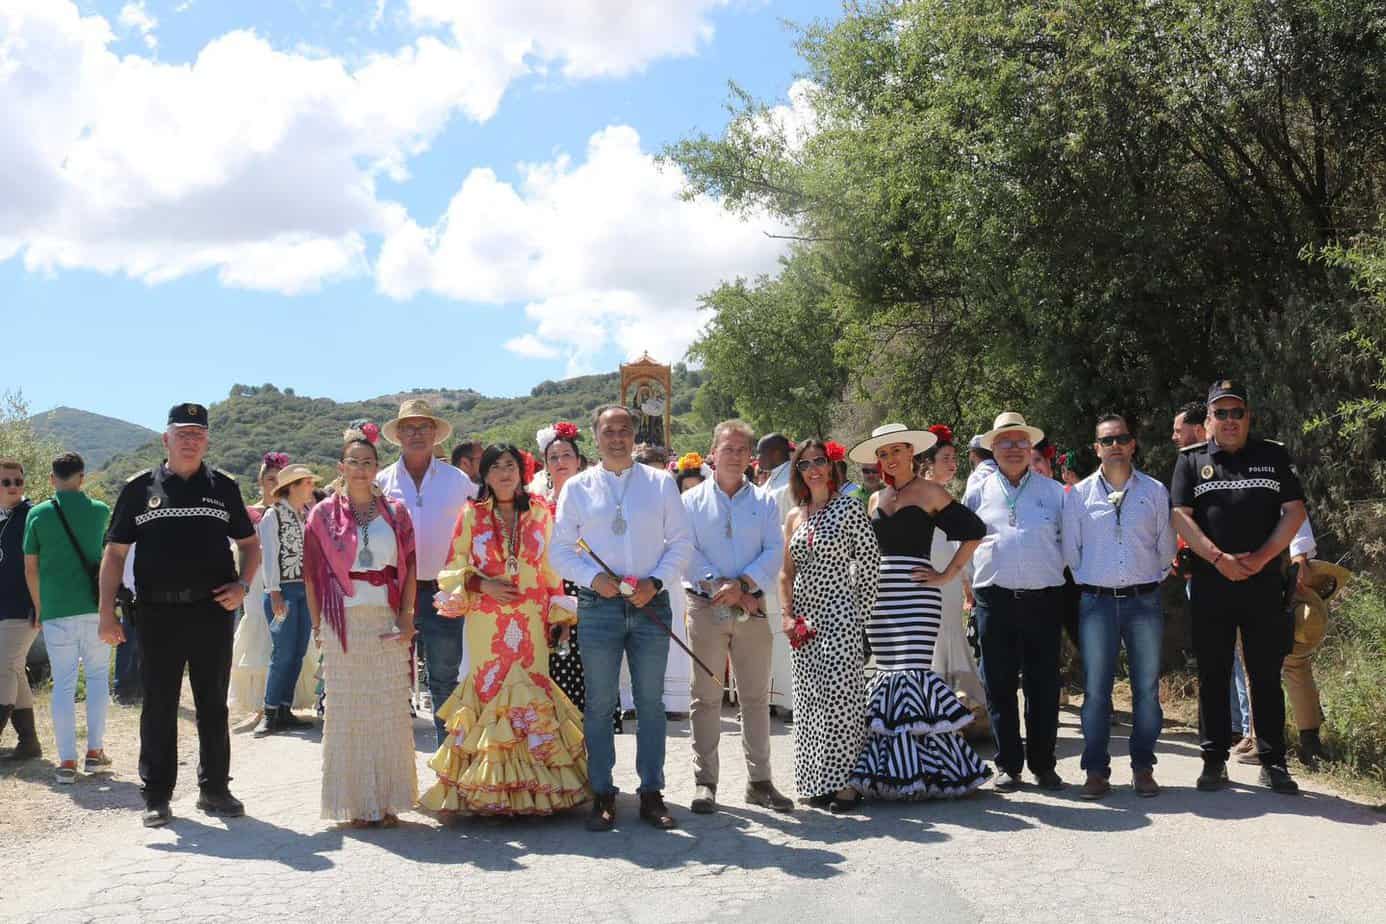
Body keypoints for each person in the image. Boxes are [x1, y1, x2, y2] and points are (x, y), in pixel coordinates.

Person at [99, 403, 259, 827]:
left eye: (198, 434)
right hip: (156, 613)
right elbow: (114, 555)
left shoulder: (223, 486)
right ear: (165, 439)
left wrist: (242, 585)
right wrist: (105, 615)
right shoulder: (139, 488)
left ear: (207, 440)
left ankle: (215, 789)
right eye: (182, 433)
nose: (190, 441)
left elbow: (249, 544)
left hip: (211, 612)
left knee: (212, 704)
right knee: (159, 705)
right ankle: (157, 795)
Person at [421, 444, 588, 816]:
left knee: (532, 688)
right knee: (489, 689)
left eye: (510, 465)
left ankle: (540, 790)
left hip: (530, 619)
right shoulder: (471, 516)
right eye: (495, 467)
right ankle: (488, 789)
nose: (504, 473)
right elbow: (452, 567)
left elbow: (551, 569)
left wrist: (559, 618)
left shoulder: (542, 513)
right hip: (486, 620)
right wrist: (482, 585)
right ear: (484, 475)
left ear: (522, 470)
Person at [551, 405, 692, 832]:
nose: (617, 437)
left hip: (650, 603)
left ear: (634, 436)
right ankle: (603, 793)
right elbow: (559, 550)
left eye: (624, 430)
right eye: (608, 431)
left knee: (651, 702)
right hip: (599, 606)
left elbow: (681, 542)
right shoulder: (576, 488)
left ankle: (652, 792)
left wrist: (657, 581)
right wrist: (592, 578)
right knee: (599, 704)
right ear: (595, 437)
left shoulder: (661, 482)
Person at [1171, 379, 1307, 795]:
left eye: (1237, 413)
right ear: (1208, 420)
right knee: (1213, 673)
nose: (1229, 421)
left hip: (1263, 582)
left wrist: (1263, 557)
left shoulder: (1273, 455)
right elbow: (1180, 515)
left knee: (1265, 674)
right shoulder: (1191, 461)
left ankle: (1274, 762)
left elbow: (1295, 512)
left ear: (1249, 417)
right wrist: (1217, 558)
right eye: (1221, 413)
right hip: (1213, 582)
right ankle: (1214, 761)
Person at [844, 424, 990, 801]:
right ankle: (899, 774)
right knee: (889, 680)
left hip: (917, 596)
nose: (890, 459)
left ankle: (934, 774)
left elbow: (974, 530)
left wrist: (947, 574)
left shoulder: (930, 492)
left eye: (896, 451)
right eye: (883, 454)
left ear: (911, 453)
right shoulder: (875, 499)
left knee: (912, 679)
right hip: (880, 600)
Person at [304, 426, 418, 826]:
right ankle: (355, 803)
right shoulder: (322, 515)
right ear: (341, 466)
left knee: (387, 708)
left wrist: (407, 617)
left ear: (376, 468)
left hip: (385, 617)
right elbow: (312, 575)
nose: (360, 469)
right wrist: (318, 626)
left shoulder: (396, 513)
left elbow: (410, 567)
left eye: (368, 463)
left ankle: (386, 801)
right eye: (353, 462)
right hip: (342, 618)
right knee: (349, 711)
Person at [682, 420, 793, 815]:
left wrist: (744, 586)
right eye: (726, 448)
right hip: (706, 606)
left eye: (741, 450)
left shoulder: (764, 502)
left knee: (755, 697)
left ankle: (760, 781)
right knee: (706, 697)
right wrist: (718, 585)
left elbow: (774, 549)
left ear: (751, 458)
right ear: (712, 453)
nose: (733, 455)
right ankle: (705, 782)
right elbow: (686, 550)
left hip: (752, 607)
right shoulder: (691, 502)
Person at [1062, 414, 1176, 799]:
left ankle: (1143, 768)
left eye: (1121, 439)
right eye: (1106, 440)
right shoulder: (1078, 496)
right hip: (1095, 602)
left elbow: (1166, 546)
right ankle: (1096, 771)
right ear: (1096, 448)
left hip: (1144, 601)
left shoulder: (1155, 491)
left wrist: (1150, 578)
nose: (1114, 446)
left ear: (1132, 445)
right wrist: (1091, 580)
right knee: (1096, 691)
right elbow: (1071, 552)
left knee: (1146, 689)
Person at [964, 411, 1068, 792]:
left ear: (1030, 447)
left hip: (1044, 599)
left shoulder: (1053, 493)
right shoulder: (978, 491)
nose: (1013, 448)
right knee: (999, 685)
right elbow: (967, 542)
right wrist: (970, 586)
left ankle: (1044, 764)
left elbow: (1069, 545)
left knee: (1043, 686)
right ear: (993, 448)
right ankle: (1009, 764)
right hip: (995, 598)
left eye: (1020, 441)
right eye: (1005, 442)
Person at [778, 439, 880, 812]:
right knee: (810, 703)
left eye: (820, 461)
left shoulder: (850, 510)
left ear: (832, 466)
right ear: (798, 472)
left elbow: (870, 567)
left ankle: (847, 785)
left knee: (842, 700)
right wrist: (787, 614)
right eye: (805, 464)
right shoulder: (795, 516)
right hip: (804, 619)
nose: (813, 469)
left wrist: (858, 618)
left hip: (840, 616)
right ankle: (817, 779)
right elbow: (785, 573)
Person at [375, 400, 476, 748]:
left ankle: (448, 757)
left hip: (443, 590)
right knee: (388, 676)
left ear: (435, 433)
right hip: (392, 591)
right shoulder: (380, 482)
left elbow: (478, 529)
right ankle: (392, 761)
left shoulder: (458, 480)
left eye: (423, 427)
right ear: (398, 434)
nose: (416, 434)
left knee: (444, 676)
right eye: (409, 428)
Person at [1170, 402, 1256, 759]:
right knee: (1217, 661)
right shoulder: (1189, 464)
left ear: (1198, 426)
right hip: (1203, 575)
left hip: (1246, 573)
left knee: (1246, 657)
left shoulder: (1242, 461)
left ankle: (1252, 730)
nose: (1174, 436)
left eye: (1178, 429)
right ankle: (1232, 730)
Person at [22, 453, 112, 783]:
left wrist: (39, 606)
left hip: (56, 610)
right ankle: (95, 752)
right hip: (94, 608)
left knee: (63, 684)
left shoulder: (38, 514)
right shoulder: (100, 511)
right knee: (98, 677)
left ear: (51, 479)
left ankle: (67, 763)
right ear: (82, 478)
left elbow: (30, 567)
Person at [920, 425, 989, 728]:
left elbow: (960, 542)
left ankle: (958, 711)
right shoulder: (918, 497)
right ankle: (933, 711)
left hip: (946, 582)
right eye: (946, 458)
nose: (953, 464)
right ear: (927, 464)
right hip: (925, 581)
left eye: (954, 458)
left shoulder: (946, 496)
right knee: (931, 640)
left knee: (950, 636)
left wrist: (962, 580)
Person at [252, 464, 321, 737]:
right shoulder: (273, 515)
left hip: (304, 590)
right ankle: (270, 711)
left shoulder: (303, 514)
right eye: (306, 483)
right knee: (283, 652)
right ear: (291, 487)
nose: (310, 488)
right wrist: (274, 592)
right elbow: (270, 555)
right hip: (285, 591)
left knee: (297, 652)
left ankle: (283, 708)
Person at [533, 422, 590, 711]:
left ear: (578, 460)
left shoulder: (595, 500)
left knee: (589, 666)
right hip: (549, 589)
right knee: (553, 663)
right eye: (553, 457)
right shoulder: (537, 505)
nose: (560, 462)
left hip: (589, 586)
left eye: (566, 455)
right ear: (545, 465)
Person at [229, 453, 286, 719]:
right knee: (256, 625)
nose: (274, 484)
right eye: (269, 479)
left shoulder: (291, 513)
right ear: (261, 481)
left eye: (279, 479)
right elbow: (237, 546)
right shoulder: (249, 513)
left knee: (283, 630)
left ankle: (281, 698)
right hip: (255, 577)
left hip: (284, 578)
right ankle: (259, 703)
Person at [0, 459, 40, 761]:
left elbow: (43, 566)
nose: (14, 487)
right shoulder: (2, 520)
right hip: (2, 608)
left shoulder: (32, 517)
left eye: (18, 481)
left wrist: (41, 606)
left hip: (23, 608)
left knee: (2, 668)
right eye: (6, 482)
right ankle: (29, 743)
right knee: (14, 670)